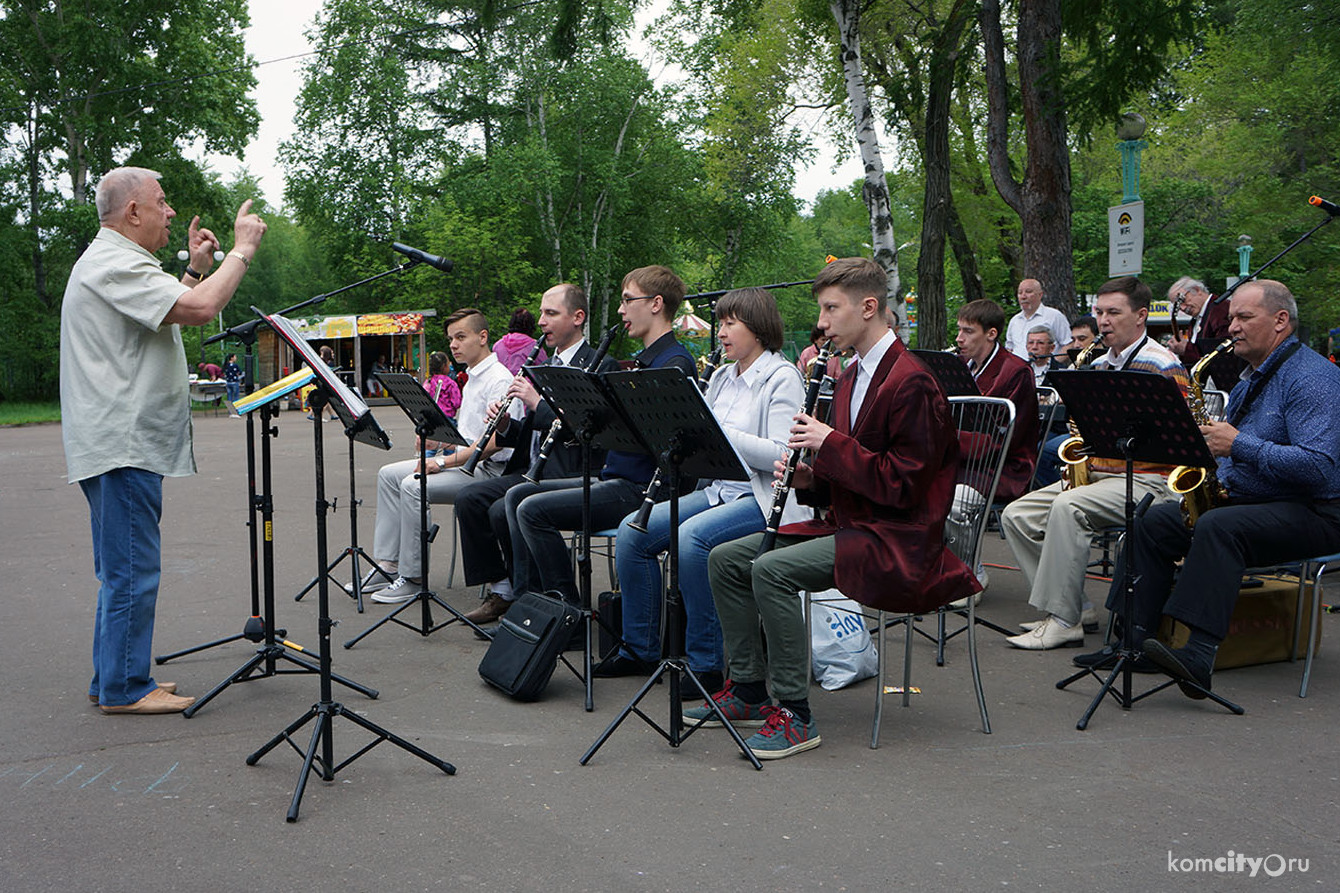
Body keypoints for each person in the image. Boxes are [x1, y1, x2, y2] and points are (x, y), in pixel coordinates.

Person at [693, 257, 977, 760]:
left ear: (869, 308)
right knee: (725, 560)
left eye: (830, 309)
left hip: (899, 540)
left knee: (771, 570)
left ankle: (796, 714)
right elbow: (846, 476)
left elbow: (904, 486)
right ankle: (751, 691)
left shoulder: (911, 381)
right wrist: (808, 477)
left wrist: (828, 444)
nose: (821, 323)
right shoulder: (848, 377)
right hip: (853, 525)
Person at [61, 165, 266, 714]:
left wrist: (197, 269)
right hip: (122, 445)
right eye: (162, 201)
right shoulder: (115, 262)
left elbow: (169, 308)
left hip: (114, 443)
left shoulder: (114, 263)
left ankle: (113, 677)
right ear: (133, 212)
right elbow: (200, 311)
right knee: (131, 568)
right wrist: (241, 250)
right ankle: (126, 689)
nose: (171, 211)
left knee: (119, 566)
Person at [1078, 280, 1340, 693]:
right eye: (1231, 316)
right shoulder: (1251, 375)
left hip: (1313, 509)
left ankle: (1197, 655)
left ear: (1280, 321)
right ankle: (1131, 641)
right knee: (1149, 521)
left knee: (1220, 528)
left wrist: (1238, 445)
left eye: (1243, 317)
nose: (1231, 326)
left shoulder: (1313, 379)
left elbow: (1321, 469)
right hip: (1252, 498)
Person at [594, 288, 805, 696]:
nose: (721, 333)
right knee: (632, 533)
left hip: (761, 499)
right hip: (718, 491)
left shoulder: (782, 377)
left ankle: (706, 664)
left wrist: (719, 433)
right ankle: (639, 648)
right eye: (721, 323)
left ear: (758, 328)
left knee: (693, 540)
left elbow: (782, 456)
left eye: (730, 324)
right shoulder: (724, 376)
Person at [1001, 276, 1190, 650]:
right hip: (1104, 474)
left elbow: (1178, 443)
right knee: (1016, 515)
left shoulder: (1163, 365)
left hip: (1150, 480)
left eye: (1113, 313)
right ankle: (1076, 606)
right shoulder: (1099, 363)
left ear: (1140, 316)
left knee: (1068, 506)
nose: (1103, 321)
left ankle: (1063, 620)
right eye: (1099, 312)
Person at [506, 265, 697, 606]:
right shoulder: (645, 362)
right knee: (518, 496)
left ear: (655, 304)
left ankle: (565, 612)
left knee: (532, 510)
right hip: (618, 479)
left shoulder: (673, 364)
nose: (621, 310)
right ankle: (532, 606)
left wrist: (600, 421)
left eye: (627, 300)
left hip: (641, 489)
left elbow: (654, 444)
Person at [453, 284, 615, 624]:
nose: (541, 321)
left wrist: (536, 403)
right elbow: (534, 429)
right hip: (533, 466)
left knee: (504, 508)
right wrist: (508, 424)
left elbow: (583, 430)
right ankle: (507, 590)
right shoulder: (546, 363)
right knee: (471, 498)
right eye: (541, 313)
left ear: (578, 318)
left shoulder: (597, 364)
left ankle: (535, 608)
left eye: (551, 314)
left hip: (570, 469)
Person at [365, 309, 516, 604]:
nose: (453, 345)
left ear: (483, 337)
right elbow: (470, 435)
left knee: (412, 485)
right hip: (467, 463)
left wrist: (442, 460)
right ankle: (388, 565)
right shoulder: (471, 376)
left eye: (461, 337)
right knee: (388, 474)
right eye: (451, 339)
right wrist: (442, 439)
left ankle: (413, 576)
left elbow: (496, 443)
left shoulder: (498, 379)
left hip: (490, 471)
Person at [954, 299, 1040, 504]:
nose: (959, 339)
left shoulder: (1016, 372)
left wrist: (944, 441)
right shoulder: (960, 366)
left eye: (968, 331)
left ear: (991, 334)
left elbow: (1003, 442)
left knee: (948, 498)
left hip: (1003, 469)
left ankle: (956, 538)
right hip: (966, 462)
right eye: (959, 330)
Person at [1166, 276, 1245, 387]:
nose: (1182, 308)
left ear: (1197, 290)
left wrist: (1186, 349)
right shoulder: (1197, 318)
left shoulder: (1220, 309)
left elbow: (1225, 352)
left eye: (1182, 300)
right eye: (1177, 306)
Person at [1004, 278, 1071, 360]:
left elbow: (1068, 344)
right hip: (1019, 371)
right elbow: (1009, 348)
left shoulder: (1054, 316)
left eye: (1028, 292)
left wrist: (1053, 365)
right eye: (1020, 293)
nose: (1023, 296)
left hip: (1044, 370)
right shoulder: (1014, 320)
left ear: (1040, 295)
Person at [493, 306, 547, 374]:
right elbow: (545, 369)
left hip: (502, 383)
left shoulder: (497, 345)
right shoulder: (534, 346)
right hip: (524, 383)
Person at [422, 350, 462, 420]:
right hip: (447, 418)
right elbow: (456, 403)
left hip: (432, 418)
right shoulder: (451, 383)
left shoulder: (428, 381)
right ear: (445, 366)